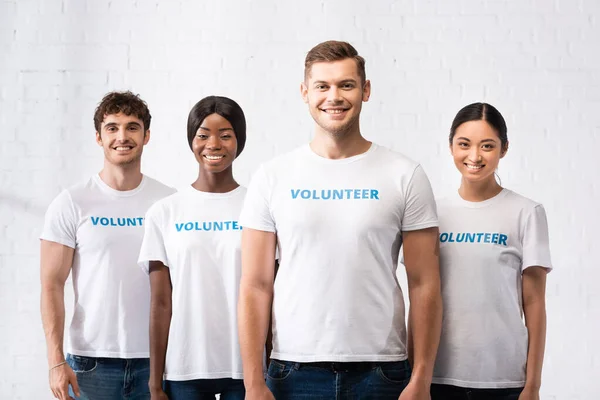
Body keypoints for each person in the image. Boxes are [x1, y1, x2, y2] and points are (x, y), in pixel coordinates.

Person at [238, 40, 442, 400]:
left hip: (383, 372)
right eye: (322, 86)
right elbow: (255, 285)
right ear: (305, 92)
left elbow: (424, 283)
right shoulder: (273, 176)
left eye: (346, 85)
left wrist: (421, 378)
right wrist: (253, 383)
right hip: (291, 371)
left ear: (365, 90)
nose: (334, 96)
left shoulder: (405, 174)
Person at [40, 91, 175, 400]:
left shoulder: (168, 202)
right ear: (99, 137)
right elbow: (51, 285)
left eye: (132, 127)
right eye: (112, 127)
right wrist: (54, 361)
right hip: (89, 363)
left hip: (156, 362)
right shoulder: (72, 202)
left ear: (147, 135)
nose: (122, 136)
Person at [430, 103, 552, 400]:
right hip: (440, 376)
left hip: (505, 381)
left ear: (504, 149)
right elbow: (421, 294)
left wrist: (532, 385)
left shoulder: (526, 212)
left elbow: (534, 303)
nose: (474, 156)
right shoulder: (433, 213)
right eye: (464, 144)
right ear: (451, 147)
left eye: (487, 146)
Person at [138, 96, 248, 400]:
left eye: (225, 135)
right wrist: (154, 382)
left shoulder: (257, 207)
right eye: (203, 135)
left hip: (246, 368)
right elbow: (161, 302)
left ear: (239, 141)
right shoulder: (165, 212)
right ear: (192, 141)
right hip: (185, 368)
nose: (213, 144)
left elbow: (268, 292)